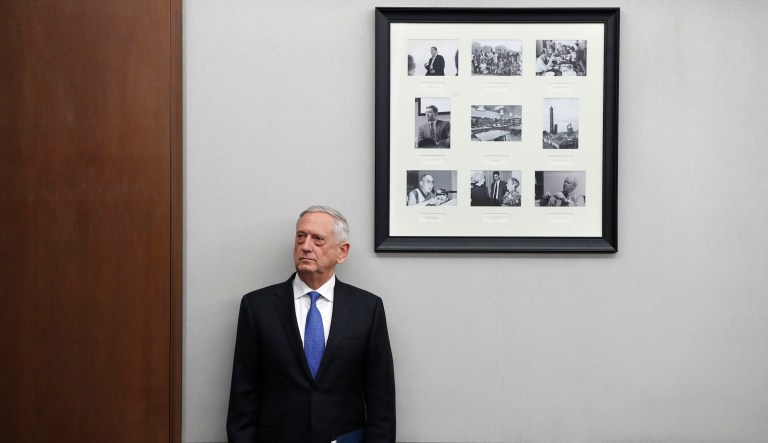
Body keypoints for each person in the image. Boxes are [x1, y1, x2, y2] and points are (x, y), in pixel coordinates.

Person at [227, 206, 396, 442]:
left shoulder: (368, 308)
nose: (306, 246)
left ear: (342, 252)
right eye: (300, 237)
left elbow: (381, 399)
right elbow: (242, 397)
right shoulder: (257, 307)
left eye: (318, 239)